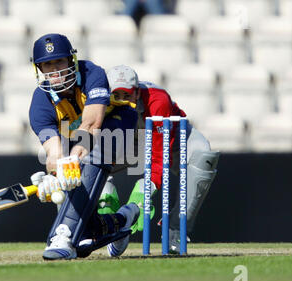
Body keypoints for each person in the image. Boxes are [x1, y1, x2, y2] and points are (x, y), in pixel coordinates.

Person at [28, 34, 139, 260]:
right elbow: (53, 151)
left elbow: (92, 124)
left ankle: (64, 236)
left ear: (72, 61)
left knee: (94, 151)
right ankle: (120, 222)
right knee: (86, 233)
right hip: (84, 145)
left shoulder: (92, 73)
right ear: (39, 68)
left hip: (123, 131)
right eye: (48, 65)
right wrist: (54, 175)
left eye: (59, 62)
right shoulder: (40, 104)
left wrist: (72, 161)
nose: (56, 71)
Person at [99, 65, 220, 254]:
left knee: (203, 154)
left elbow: (158, 156)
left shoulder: (157, 100)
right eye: (117, 96)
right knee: (88, 164)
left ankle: (176, 229)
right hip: (129, 143)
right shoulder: (99, 102)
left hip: (170, 137)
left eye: (127, 95)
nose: (122, 101)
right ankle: (109, 224)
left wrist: (144, 190)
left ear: (137, 93)